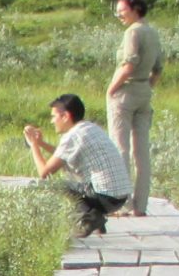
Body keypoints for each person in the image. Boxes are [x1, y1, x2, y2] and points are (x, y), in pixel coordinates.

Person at [22, 93, 132, 235]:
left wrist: (34, 146)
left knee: (53, 185)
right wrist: (41, 143)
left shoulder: (72, 136)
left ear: (66, 116)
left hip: (104, 197)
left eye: (54, 116)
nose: (52, 121)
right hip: (120, 197)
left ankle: (88, 218)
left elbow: (44, 173)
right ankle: (96, 222)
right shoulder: (90, 128)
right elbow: (62, 155)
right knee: (75, 182)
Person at [106, 0, 164, 216]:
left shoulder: (132, 33)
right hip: (144, 91)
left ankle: (121, 203)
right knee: (141, 151)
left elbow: (128, 64)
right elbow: (158, 68)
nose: (119, 15)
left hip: (125, 92)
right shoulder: (152, 32)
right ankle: (140, 206)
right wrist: (148, 86)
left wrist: (112, 88)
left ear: (135, 9)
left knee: (120, 147)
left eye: (122, 11)